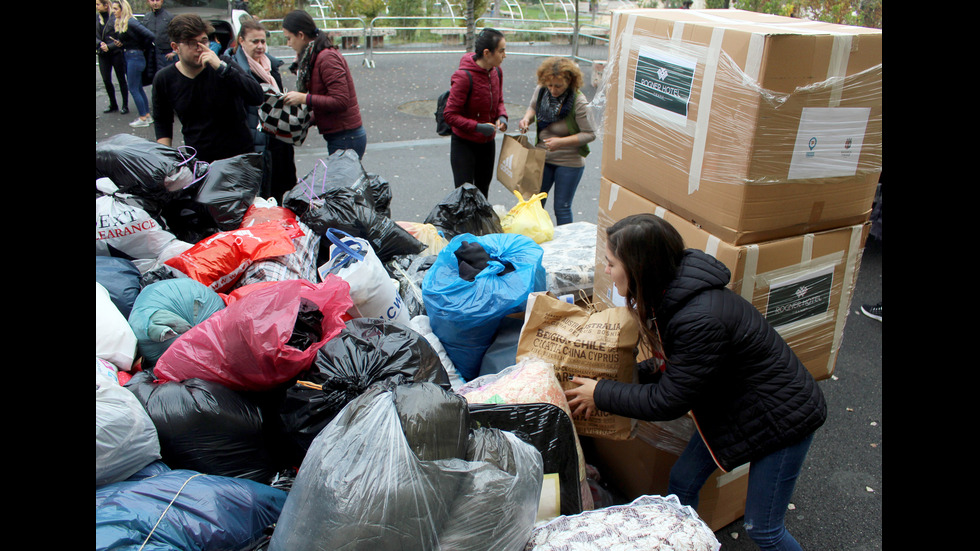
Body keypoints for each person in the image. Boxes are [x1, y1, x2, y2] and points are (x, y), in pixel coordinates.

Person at [565, 213, 827, 551]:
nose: (606, 271)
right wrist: (618, 375)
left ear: (639, 267)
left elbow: (669, 400)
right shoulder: (674, 292)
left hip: (782, 420)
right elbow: (681, 369)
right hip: (734, 405)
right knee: (682, 482)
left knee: (764, 529)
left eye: (611, 263)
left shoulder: (697, 318)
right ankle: (686, 543)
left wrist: (601, 393)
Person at [152, 13, 264, 163]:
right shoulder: (164, 79)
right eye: (192, 43)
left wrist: (221, 68)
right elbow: (162, 121)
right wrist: (165, 159)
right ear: (175, 47)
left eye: (204, 41)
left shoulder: (223, 64)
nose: (200, 48)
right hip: (201, 161)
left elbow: (256, 96)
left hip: (239, 159)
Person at [517, 57, 595, 225]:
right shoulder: (541, 90)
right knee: (534, 203)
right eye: (550, 85)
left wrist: (561, 142)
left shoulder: (578, 102)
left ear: (570, 82)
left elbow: (590, 134)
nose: (553, 90)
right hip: (542, 157)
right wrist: (526, 119)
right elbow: (532, 107)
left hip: (569, 161)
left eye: (558, 86)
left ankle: (565, 246)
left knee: (562, 207)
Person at [281, 10, 367, 159]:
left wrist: (303, 99)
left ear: (301, 35)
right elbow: (326, 99)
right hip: (341, 136)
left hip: (346, 138)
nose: (288, 44)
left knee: (341, 182)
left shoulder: (327, 58)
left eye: (289, 38)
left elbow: (340, 101)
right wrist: (307, 120)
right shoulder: (315, 57)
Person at [232, 18, 297, 201]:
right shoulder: (236, 70)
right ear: (241, 41)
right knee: (259, 197)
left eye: (263, 41)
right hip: (255, 142)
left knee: (277, 192)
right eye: (255, 41)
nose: (260, 46)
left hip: (277, 139)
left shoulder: (271, 66)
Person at [443, 28, 508, 198]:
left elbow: (499, 99)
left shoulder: (497, 72)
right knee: (465, 196)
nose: (505, 55)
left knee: (482, 193)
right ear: (487, 53)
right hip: (464, 143)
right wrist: (477, 127)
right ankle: (464, 225)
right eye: (501, 51)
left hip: (487, 143)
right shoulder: (464, 77)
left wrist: (501, 116)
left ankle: (480, 226)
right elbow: (450, 114)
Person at [111, 0, 155, 127]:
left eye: (115, 9)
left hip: (134, 57)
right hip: (132, 55)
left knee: (134, 88)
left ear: (122, 9)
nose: (113, 11)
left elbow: (150, 35)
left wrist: (141, 47)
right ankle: (146, 115)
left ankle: (143, 118)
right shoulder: (126, 23)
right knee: (138, 87)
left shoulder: (131, 21)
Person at [96, 0, 128, 114]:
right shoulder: (97, 18)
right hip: (102, 53)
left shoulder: (114, 17)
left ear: (105, 5)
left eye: (98, 4)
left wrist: (109, 46)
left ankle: (125, 105)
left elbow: (121, 36)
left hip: (115, 52)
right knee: (106, 79)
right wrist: (100, 44)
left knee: (121, 79)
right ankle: (113, 103)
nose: (96, 7)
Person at [141, 0, 176, 81]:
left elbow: (177, 34)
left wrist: (174, 52)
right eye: (152, 0)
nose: (155, 3)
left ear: (162, 1)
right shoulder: (147, 17)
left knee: (168, 80)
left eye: (157, 0)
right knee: (155, 80)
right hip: (151, 55)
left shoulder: (169, 17)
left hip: (166, 54)